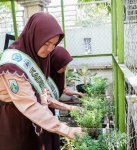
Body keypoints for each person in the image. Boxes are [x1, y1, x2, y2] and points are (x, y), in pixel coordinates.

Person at [0, 12, 84, 150]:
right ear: (34, 37)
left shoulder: (36, 57)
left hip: (31, 117)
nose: (50, 49)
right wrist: (68, 130)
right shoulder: (13, 66)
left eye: (54, 44)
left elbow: (42, 93)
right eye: (46, 43)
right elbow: (29, 106)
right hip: (14, 121)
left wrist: (46, 105)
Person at [41, 46, 85, 150]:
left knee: (54, 138)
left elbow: (64, 89)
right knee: (45, 139)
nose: (65, 68)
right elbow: (48, 100)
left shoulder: (60, 73)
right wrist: (72, 108)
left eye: (66, 65)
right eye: (63, 65)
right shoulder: (44, 75)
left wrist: (80, 94)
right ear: (55, 63)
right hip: (42, 111)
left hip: (50, 111)